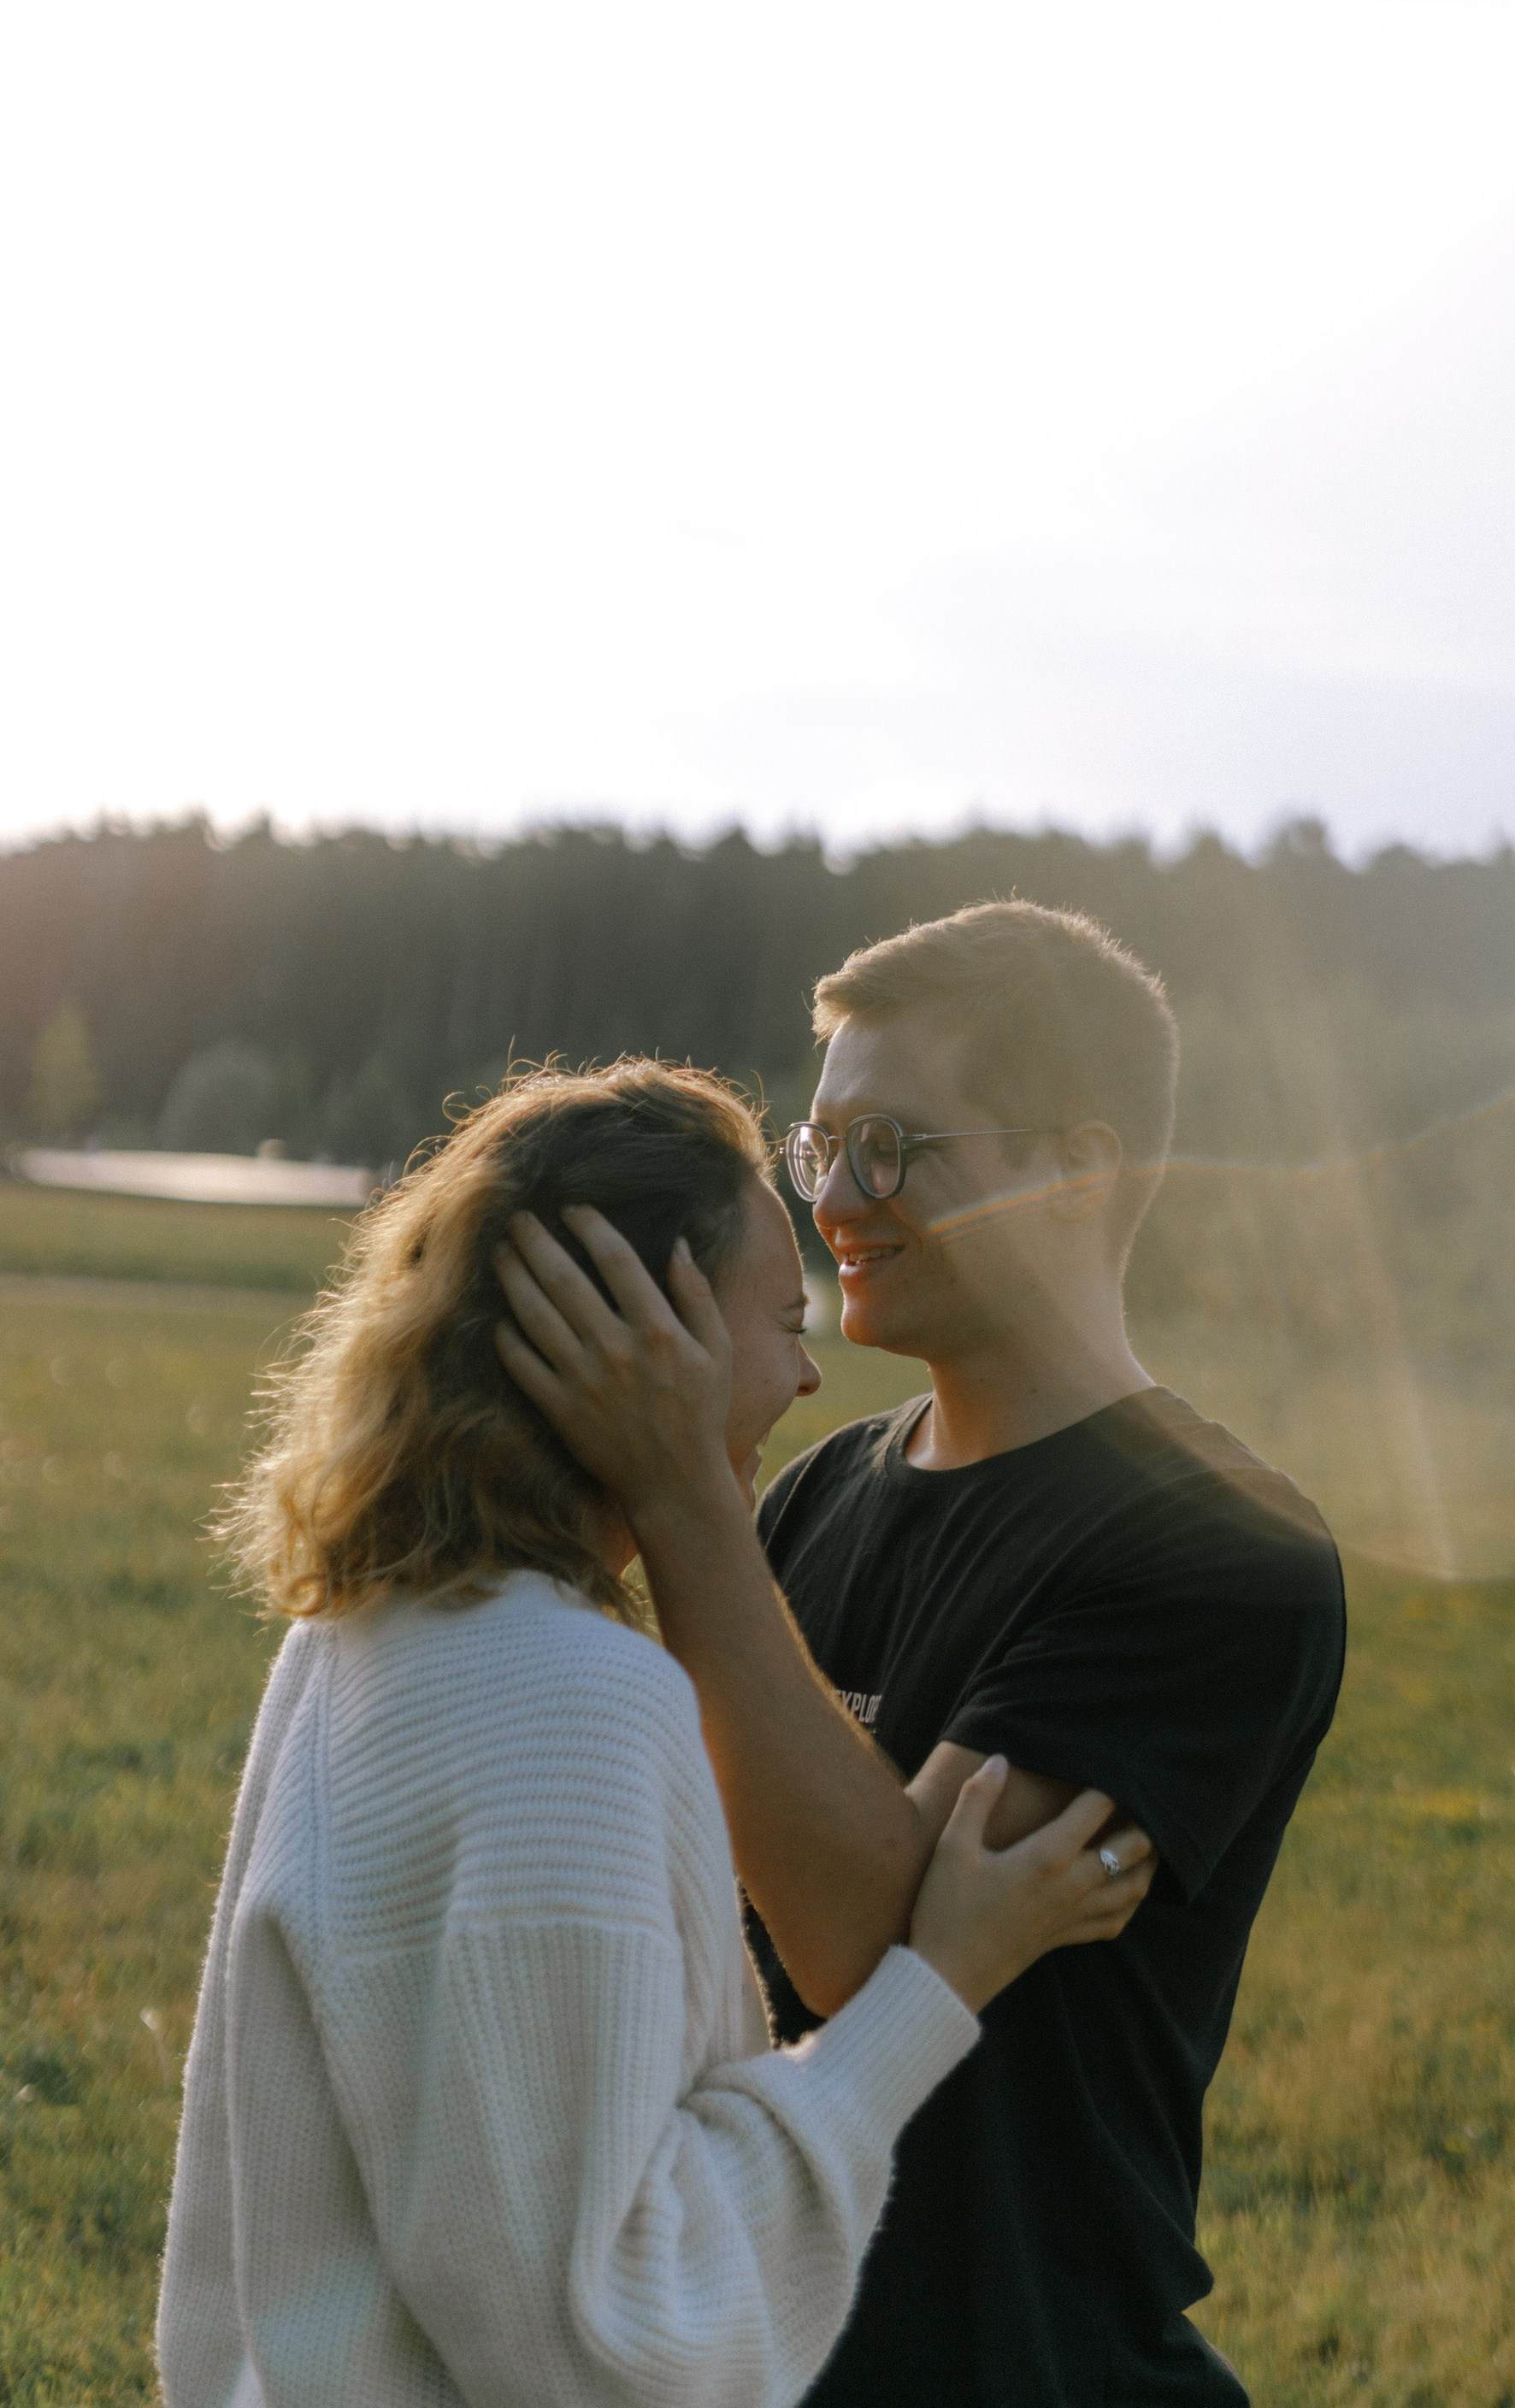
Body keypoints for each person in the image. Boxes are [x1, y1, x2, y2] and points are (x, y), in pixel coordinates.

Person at [158, 1060, 1152, 2408]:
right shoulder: (566, 1698)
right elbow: (617, 2335)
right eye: (779, 1320)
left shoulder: (350, 1643)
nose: (810, 1377)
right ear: (643, 1333)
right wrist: (939, 1986)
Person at [496, 903, 1347, 2405]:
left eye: (892, 1147)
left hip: (1023, 2362)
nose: (836, 1202)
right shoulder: (815, 1493)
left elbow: (861, 1950)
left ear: (1077, 1171)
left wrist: (687, 1495)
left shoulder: (1220, 1555)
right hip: (740, 2347)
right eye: (818, 1150)